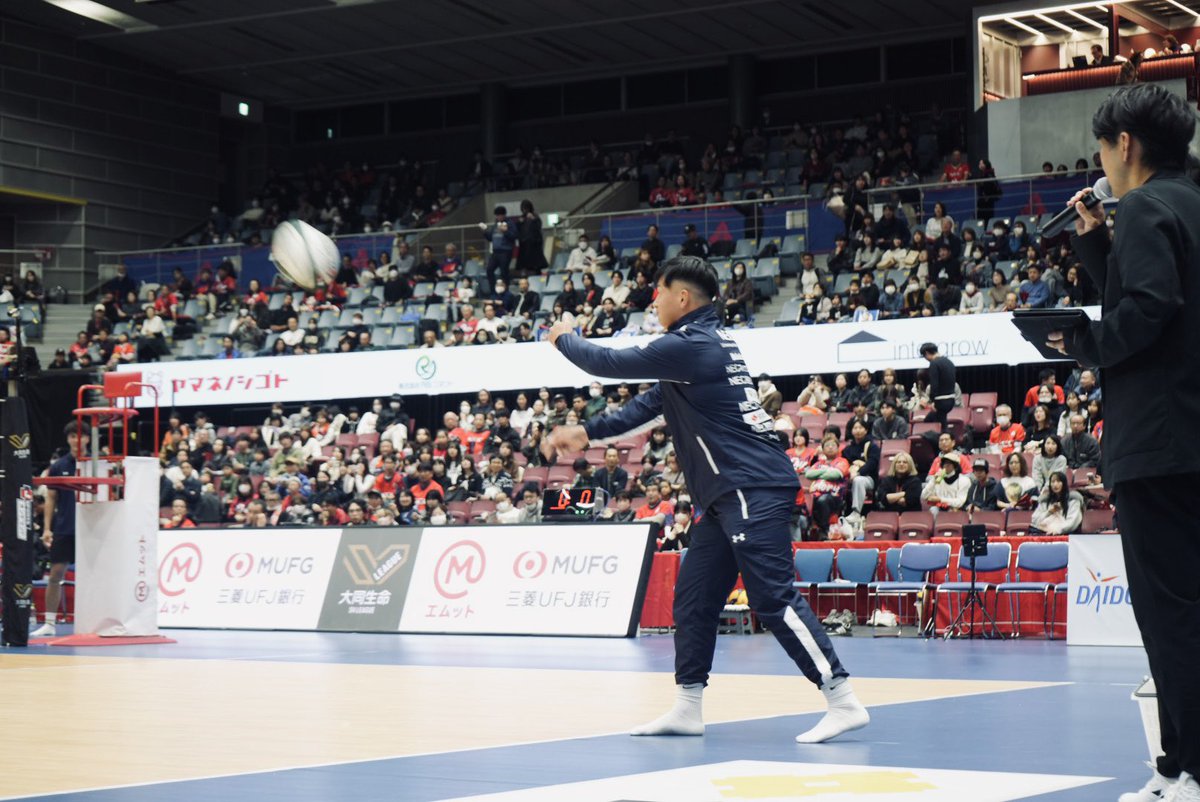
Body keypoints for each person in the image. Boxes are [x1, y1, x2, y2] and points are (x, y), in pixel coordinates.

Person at [544, 255, 866, 743]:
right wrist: (586, 433)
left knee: (772, 598)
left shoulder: (691, 345)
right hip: (726, 494)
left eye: (658, 293)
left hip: (750, 486)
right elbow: (646, 409)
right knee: (694, 600)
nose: (653, 302)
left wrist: (564, 338)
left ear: (682, 298)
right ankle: (687, 706)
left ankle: (842, 698)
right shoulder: (700, 348)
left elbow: (607, 363)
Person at [31, 422, 89, 637]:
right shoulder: (59, 465)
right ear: (68, 439)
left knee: (93, 577)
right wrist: (47, 528)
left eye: (81, 436)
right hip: (65, 528)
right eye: (73, 436)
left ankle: (94, 622)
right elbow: (51, 499)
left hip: (91, 530)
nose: (77, 440)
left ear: (87, 439)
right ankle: (49, 623)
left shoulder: (97, 464)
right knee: (55, 574)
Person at [920, 342, 956, 429]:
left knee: (934, 425)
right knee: (941, 423)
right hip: (951, 400)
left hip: (940, 401)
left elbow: (934, 385)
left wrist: (933, 402)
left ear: (927, 353)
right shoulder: (949, 361)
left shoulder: (934, 364)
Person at [480, 205, 517, 288]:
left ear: (503, 215)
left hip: (505, 252)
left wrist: (506, 231)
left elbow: (514, 236)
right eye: (496, 216)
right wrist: (485, 232)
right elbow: (491, 238)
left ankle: (505, 290)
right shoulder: (495, 224)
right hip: (495, 252)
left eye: (499, 215)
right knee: (489, 270)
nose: (498, 217)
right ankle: (493, 290)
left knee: (504, 272)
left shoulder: (510, 224)